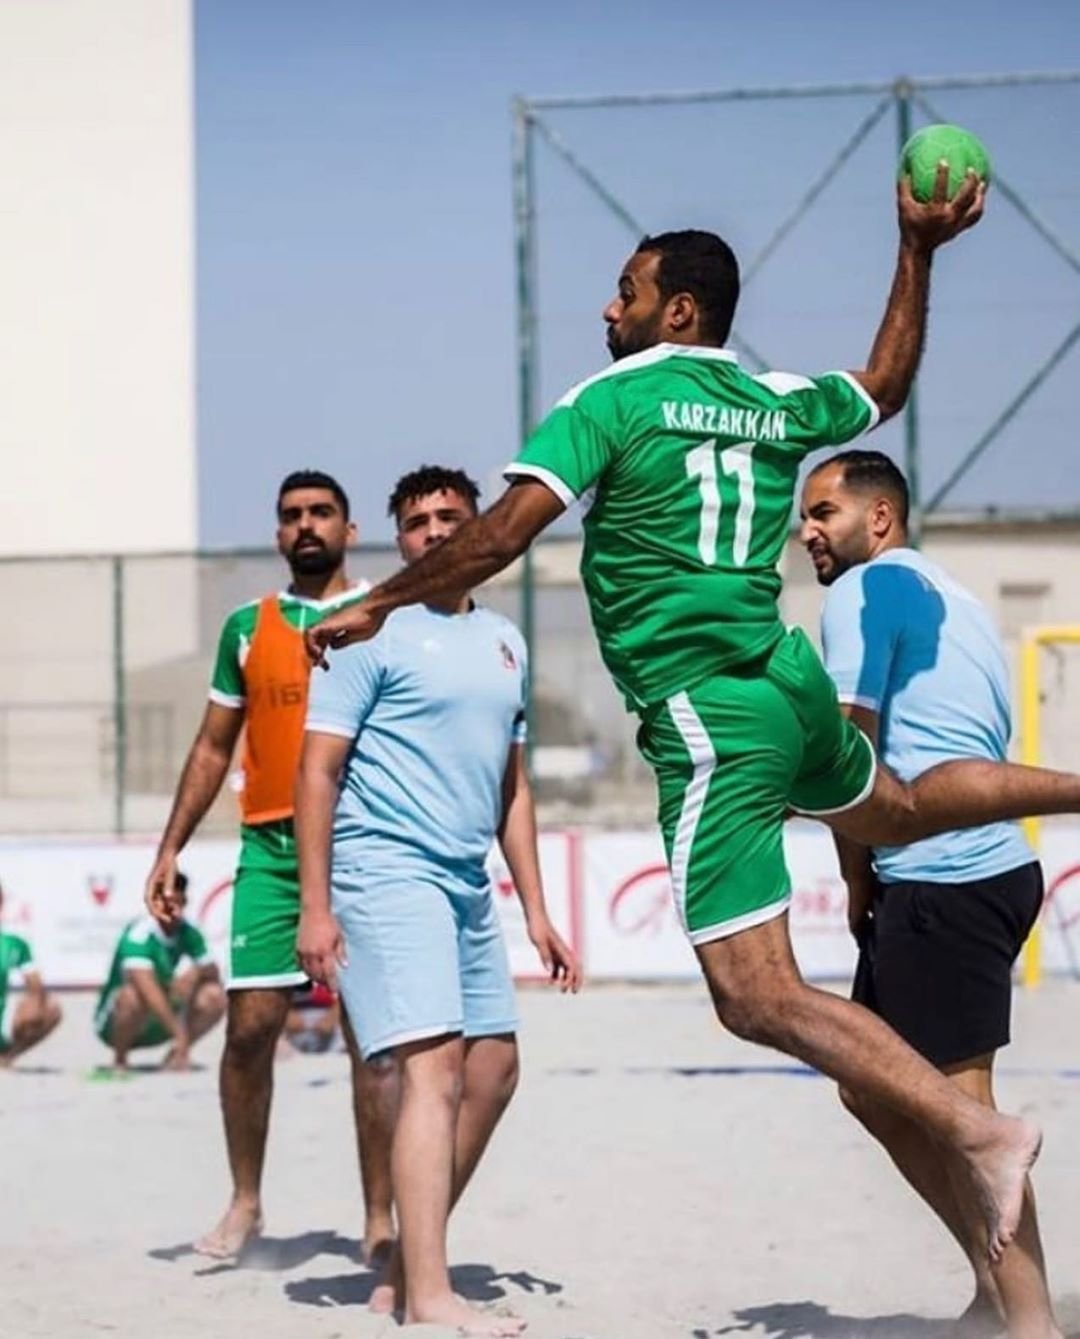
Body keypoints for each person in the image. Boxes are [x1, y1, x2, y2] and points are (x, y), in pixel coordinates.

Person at [305, 170, 1080, 1263]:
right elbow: (886, 386)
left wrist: (378, 600)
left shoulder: (610, 400)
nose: (606, 307)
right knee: (896, 809)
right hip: (785, 681)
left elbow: (501, 535)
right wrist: (918, 250)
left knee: (754, 995)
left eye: (623, 291)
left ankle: (979, 1131)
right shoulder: (774, 399)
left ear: (676, 309)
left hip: (708, 710)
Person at [296, 465, 581, 1336]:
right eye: (416, 521)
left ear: (478, 528)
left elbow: (512, 788)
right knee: (437, 1069)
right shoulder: (367, 628)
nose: (432, 532)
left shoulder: (504, 640)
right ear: (399, 538)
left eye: (449, 517)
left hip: (464, 880)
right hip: (384, 869)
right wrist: (315, 906)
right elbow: (318, 771)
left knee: (494, 1069)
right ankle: (428, 1292)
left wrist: (536, 910)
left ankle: (404, 1264)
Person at [800, 450, 1060, 1339]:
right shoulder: (955, 595)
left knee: (968, 1115)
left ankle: (1030, 1320)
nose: (807, 531)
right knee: (870, 1087)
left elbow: (849, 759)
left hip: (944, 876)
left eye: (823, 512)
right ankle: (997, 1287)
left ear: (879, 517)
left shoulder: (860, 594)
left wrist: (854, 876)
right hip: (979, 869)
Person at [145, 470, 398, 1263]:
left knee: (370, 1036)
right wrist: (170, 846)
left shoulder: (384, 613)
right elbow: (212, 746)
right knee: (250, 1028)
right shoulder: (246, 628)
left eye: (322, 512)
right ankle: (246, 1200)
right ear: (278, 533)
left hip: (361, 841)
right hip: (271, 848)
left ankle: (380, 1217)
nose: (306, 524)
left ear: (350, 530)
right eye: (292, 515)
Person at [94, 870, 225, 1071]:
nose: (173, 910)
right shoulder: (139, 935)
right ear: (155, 903)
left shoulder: (188, 931)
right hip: (116, 1025)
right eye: (167, 903)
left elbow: (213, 971)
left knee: (214, 995)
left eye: (178, 903)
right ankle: (120, 1060)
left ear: (185, 902)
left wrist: (195, 973)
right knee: (132, 997)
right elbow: (147, 990)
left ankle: (176, 1054)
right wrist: (179, 1033)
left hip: (159, 1020)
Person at [0, 881, 62, 1068]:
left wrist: (34, 1000)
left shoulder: (13, 944)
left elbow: (36, 986)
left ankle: (7, 1057)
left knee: (49, 1009)